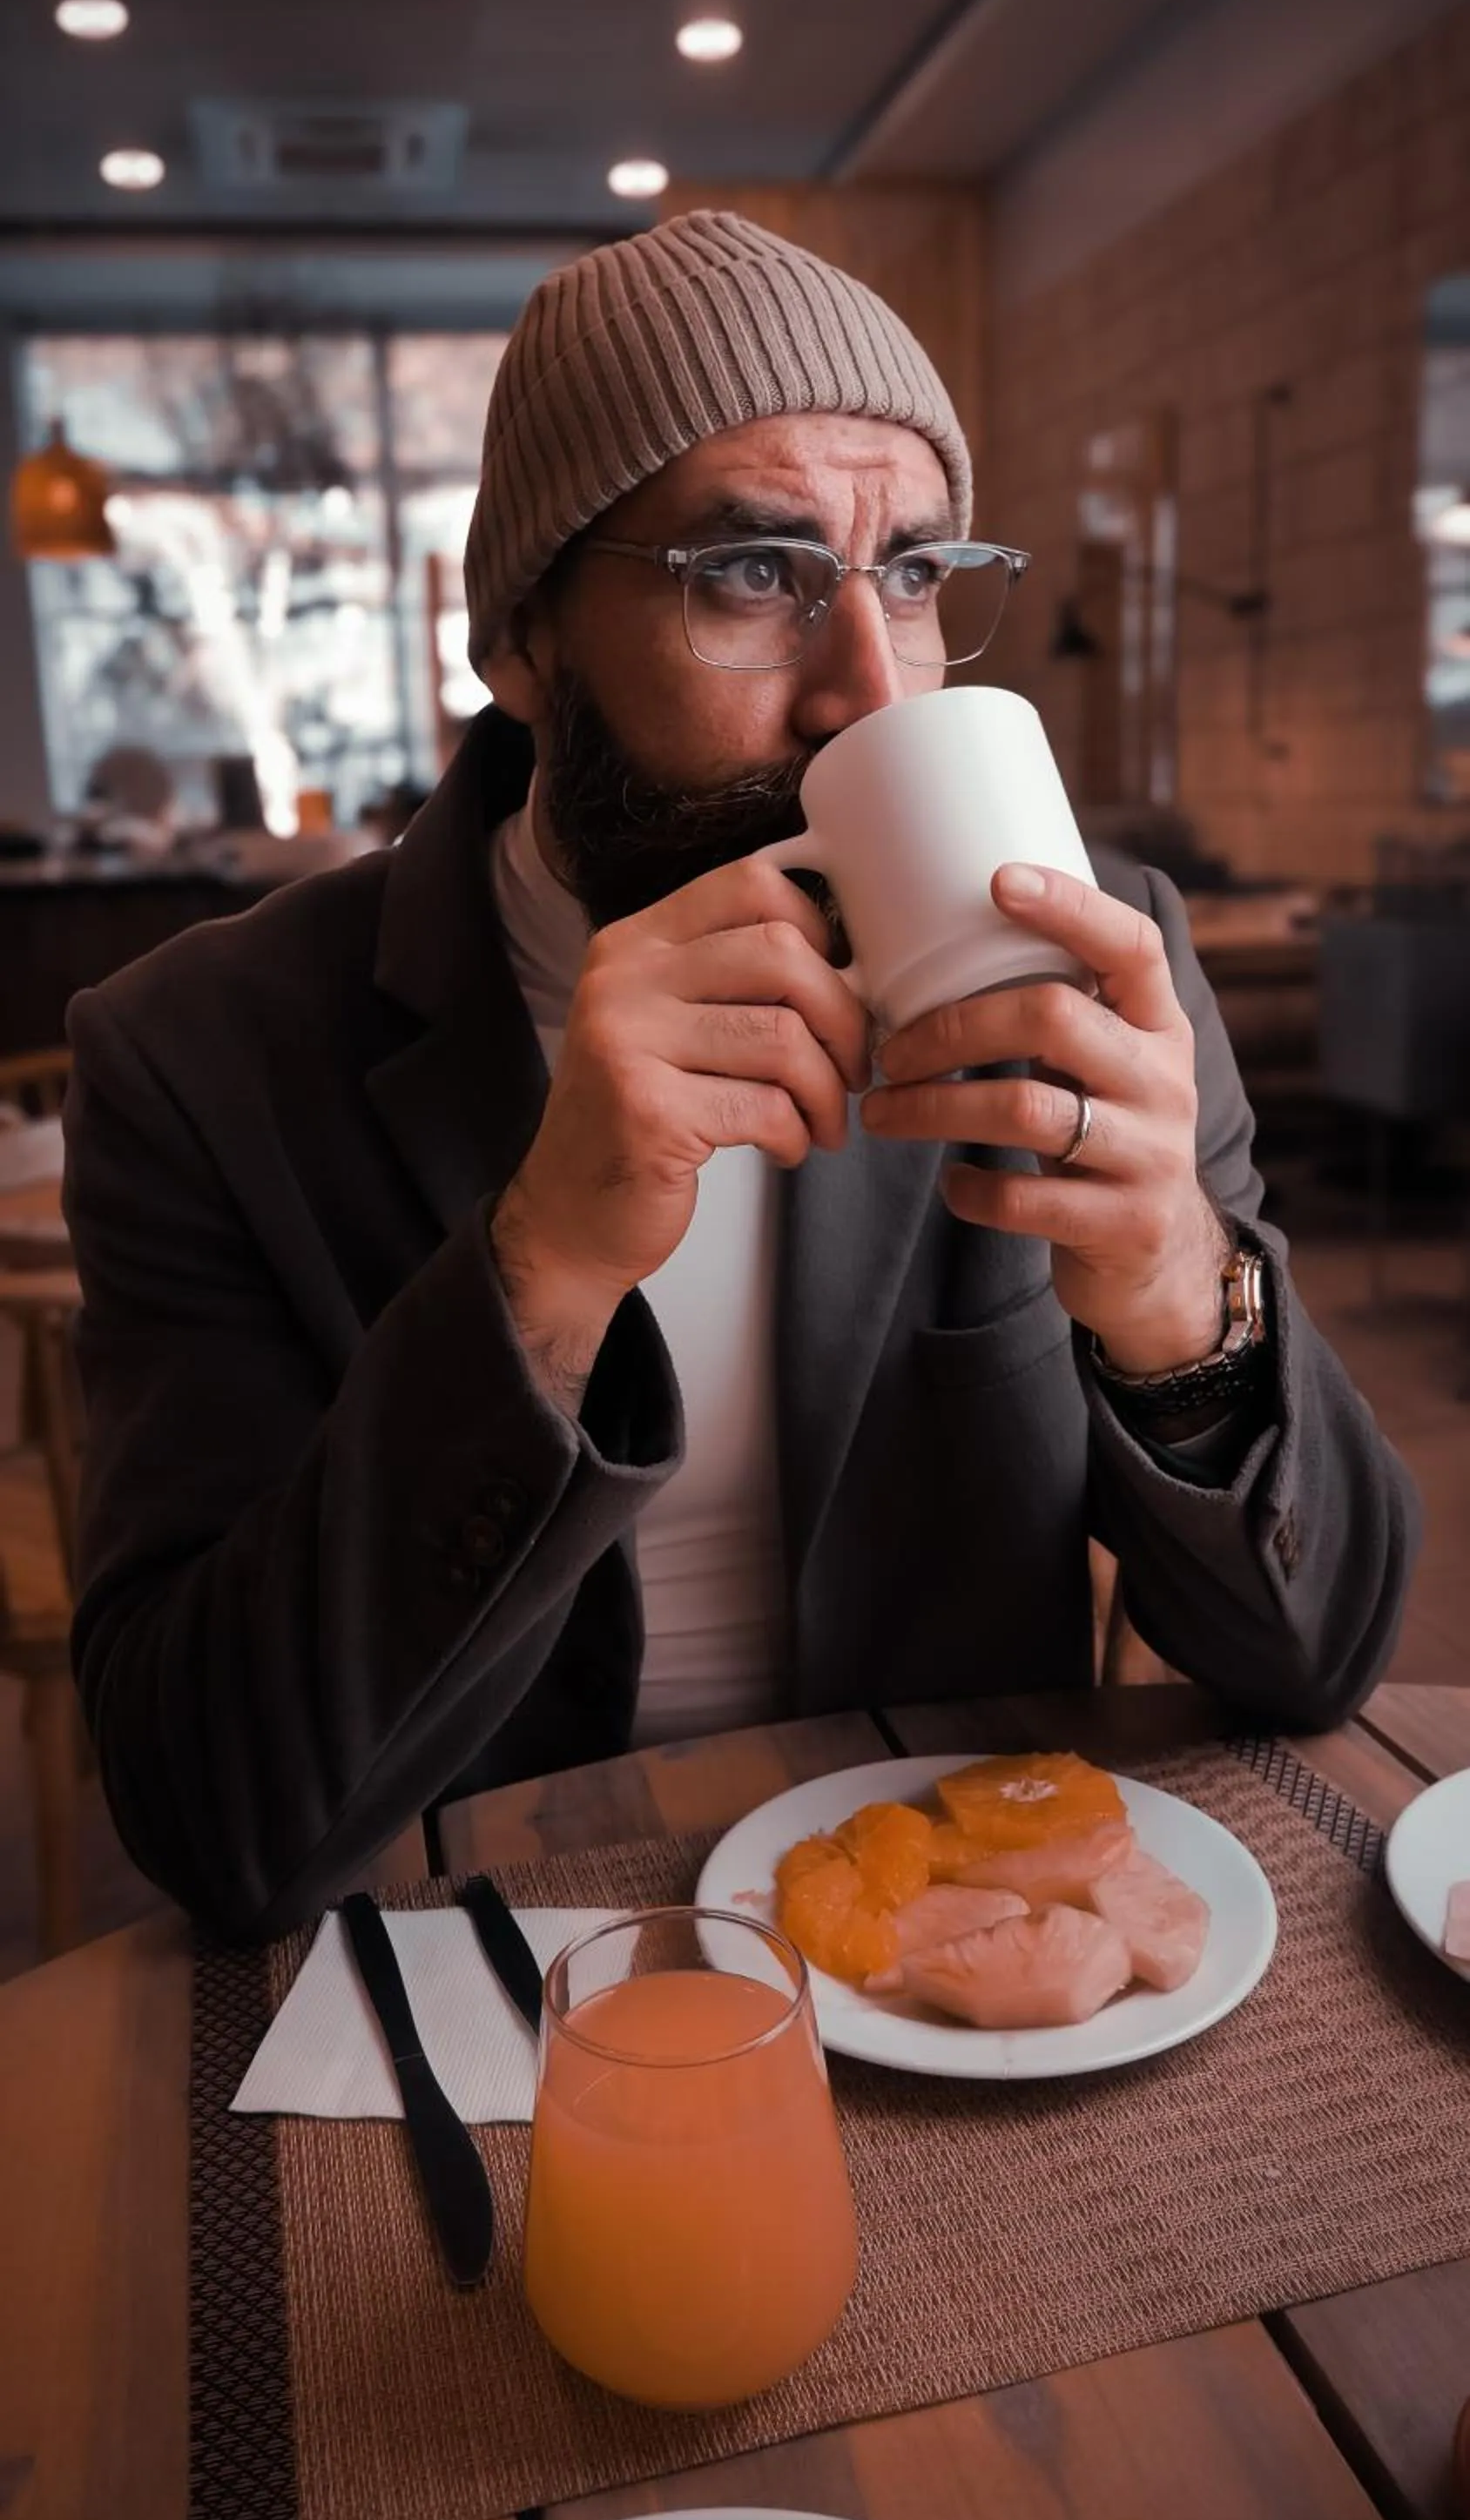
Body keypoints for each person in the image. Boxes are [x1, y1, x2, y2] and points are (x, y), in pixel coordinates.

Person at [63, 212, 1418, 1938]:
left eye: (915, 575)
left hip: (950, 1945)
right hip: (494, 1957)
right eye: (750, 573)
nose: (863, 694)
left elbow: (1319, 1658)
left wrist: (1172, 1295)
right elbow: (211, 1812)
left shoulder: (1095, 961)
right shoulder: (204, 1057)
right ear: (523, 643)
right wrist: (538, 1273)